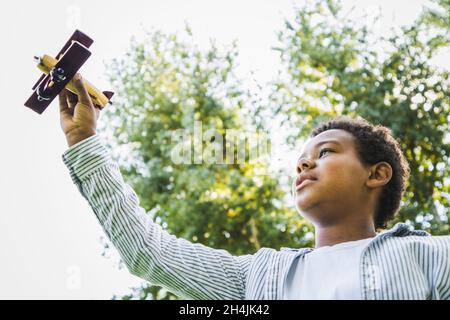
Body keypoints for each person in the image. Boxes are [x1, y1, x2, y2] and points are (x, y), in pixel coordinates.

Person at [59, 74, 450, 300]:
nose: (304, 162)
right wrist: (84, 141)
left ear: (377, 174)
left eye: (327, 151)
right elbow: (150, 253)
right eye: (301, 158)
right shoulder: (256, 278)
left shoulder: (428, 255)